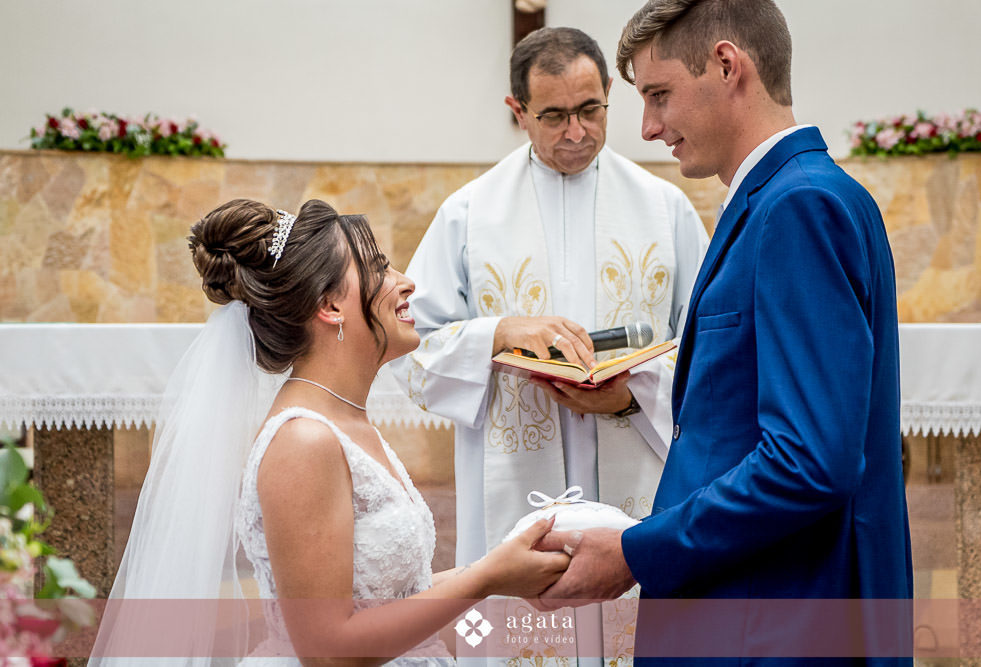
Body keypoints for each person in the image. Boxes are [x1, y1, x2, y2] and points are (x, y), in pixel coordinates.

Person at [535, 1, 914, 664]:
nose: (649, 127)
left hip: (774, 619)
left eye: (659, 95)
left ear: (726, 65)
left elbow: (810, 461)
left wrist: (635, 551)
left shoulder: (798, 206)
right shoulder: (796, 194)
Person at [89, 198, 569, 666]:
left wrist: (496, 569)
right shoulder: (303, 442)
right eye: (379, 269)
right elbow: (327, 650)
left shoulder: (347, 422)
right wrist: (484, 580)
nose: (407, 282)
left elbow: (388, 600)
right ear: (330, 306)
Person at [393, 26, 709, 573]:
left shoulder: (666, 209)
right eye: (554, 116)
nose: (576, 132)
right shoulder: (468, 214)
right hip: (517, 481)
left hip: (637, 461)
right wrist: (498, 333)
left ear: (609, 92)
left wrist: (632, 397)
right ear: (518, 111)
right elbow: (408, 346)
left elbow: (710, 346)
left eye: (590, 109)